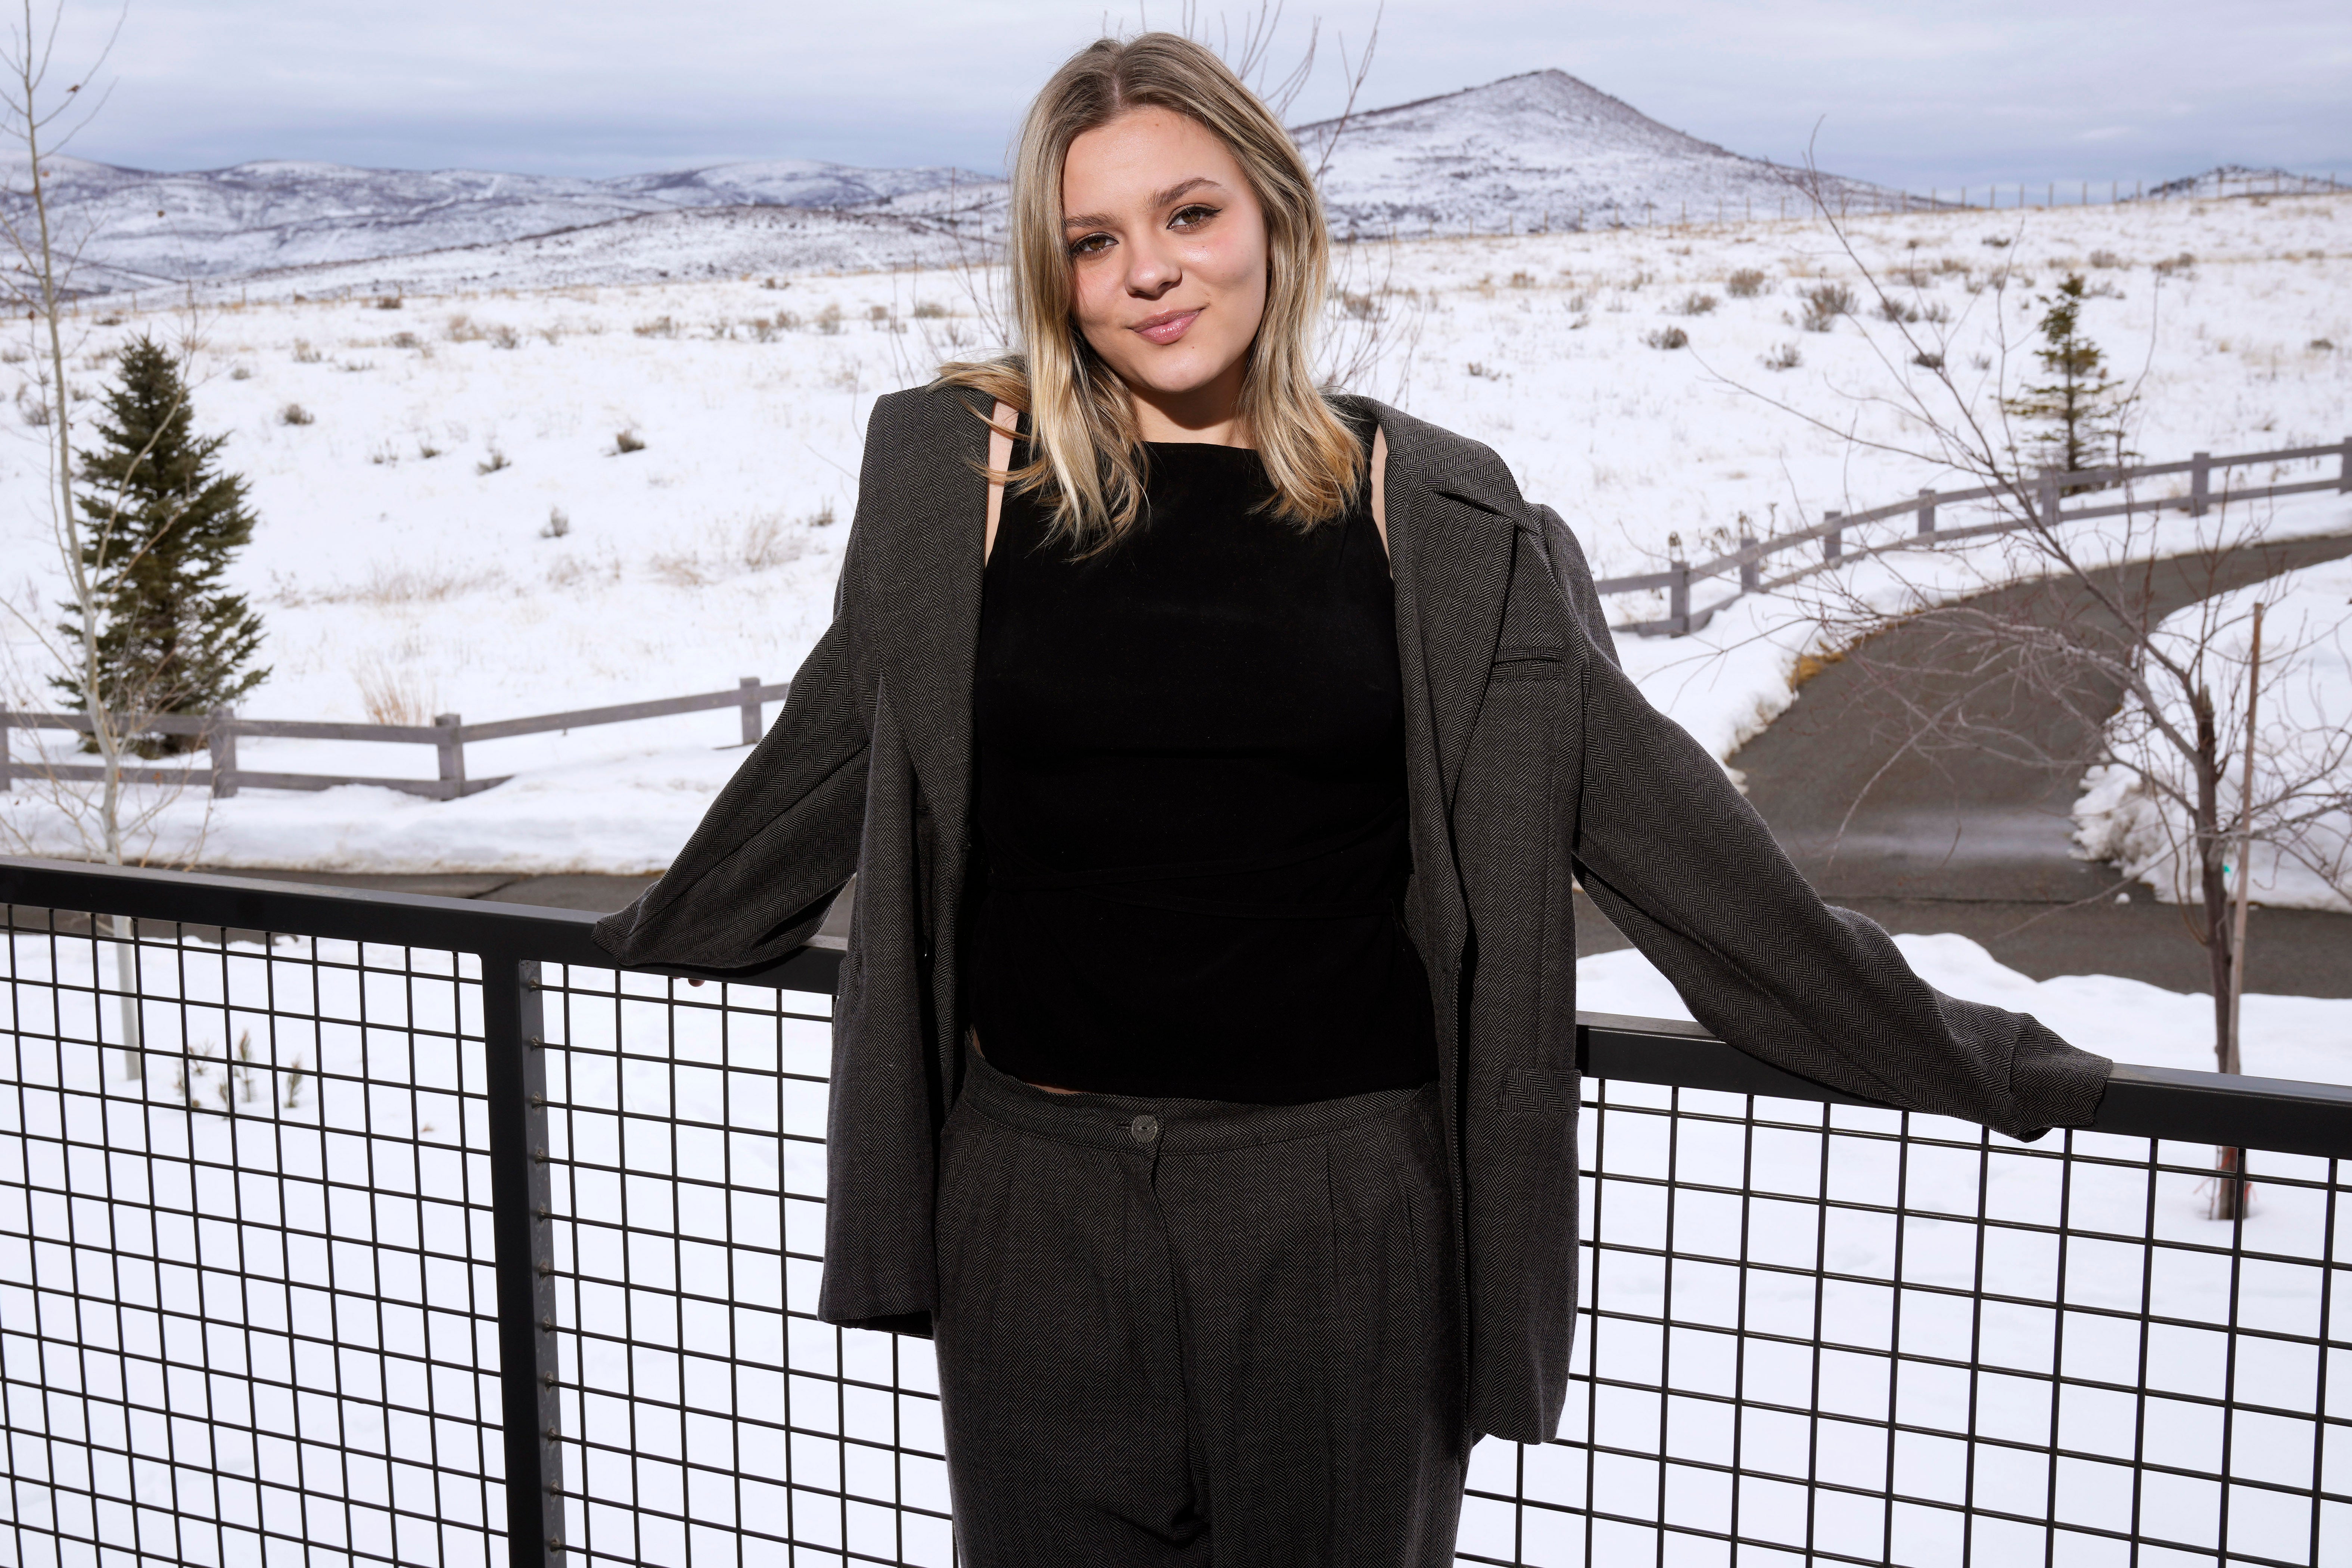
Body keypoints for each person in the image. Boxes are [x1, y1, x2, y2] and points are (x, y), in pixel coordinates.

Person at [593, 31, 2112, 1567]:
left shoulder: (1438, 517)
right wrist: (642, 936)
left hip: (1340, 1219)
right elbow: (826, 762)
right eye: (1094, 241)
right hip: (1028, 1208)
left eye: (1190, 215)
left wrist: (1985, 1061)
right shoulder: (959, 487)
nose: (1149, 275)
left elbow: (1673, 843)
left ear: (1275, 215)